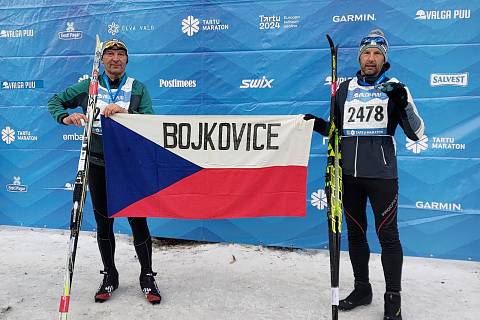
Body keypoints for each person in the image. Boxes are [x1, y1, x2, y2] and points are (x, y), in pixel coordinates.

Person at [305, 29, 425, 320]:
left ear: (385, 58)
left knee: (388, 235)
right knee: (356, 234)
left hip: (382, 176)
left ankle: (392, 300)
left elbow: (417, 133)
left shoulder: (396, 87)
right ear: (360, 57)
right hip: (348, 175)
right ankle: (362, 289)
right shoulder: (344, 89)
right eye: (366, 53)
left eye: (377, 53)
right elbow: (336, 130)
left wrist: (402, 103)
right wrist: (316, 124)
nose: (371, 59)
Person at [48, 39, 161, 305]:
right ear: (102, 61)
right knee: (103, 223)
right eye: (110, 54)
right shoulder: (89, 87)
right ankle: (110, 274)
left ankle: (147, 275)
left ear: (127, 61)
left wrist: (126, 112)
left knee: (138, 221)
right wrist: (66, 117)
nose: (115, 58)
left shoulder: (137, 88)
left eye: (121, 54)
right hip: (98, 165)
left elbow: (151, 121)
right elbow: (55, 101)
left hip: (130, 167)